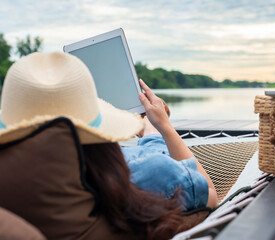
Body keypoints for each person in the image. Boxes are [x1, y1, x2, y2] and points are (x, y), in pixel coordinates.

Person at [0, 52, 217, 239]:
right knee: (148, 157)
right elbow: (209, 193)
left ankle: (148, 130)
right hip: (134, 173)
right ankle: (149, 129)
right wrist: (164, 127)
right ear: (99, 135)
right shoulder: (146, 177)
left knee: (141, 154)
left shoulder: (15, 192)